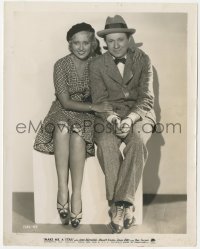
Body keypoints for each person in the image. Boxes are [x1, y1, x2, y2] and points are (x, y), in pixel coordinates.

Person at [34, 22, 112, 228]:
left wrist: (97, 106)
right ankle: (62, 188)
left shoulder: (99, 63)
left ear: (93, 42)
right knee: (61, 128)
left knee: (78, 136)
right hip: (63, 109)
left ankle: (76, 194)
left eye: (85, 42)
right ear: (69, 44)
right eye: (75, 43)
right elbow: (66, 101)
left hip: (87, 114)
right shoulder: (60, 65)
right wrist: (95, 106)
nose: (81, 47)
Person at [89, 15, 156, 233]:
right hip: (108, 116)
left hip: (140, 114)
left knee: (137, 141)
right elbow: (99, 99)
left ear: (128, 40)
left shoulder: (143, 59)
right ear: (105, 43)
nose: (116, 45)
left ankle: (120, 205)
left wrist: (129, 119)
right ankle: (124, 206)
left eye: (120, 39)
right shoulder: (97, 64)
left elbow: (146, 98)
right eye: (111, 41)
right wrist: (113, 118)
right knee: (107, 145)